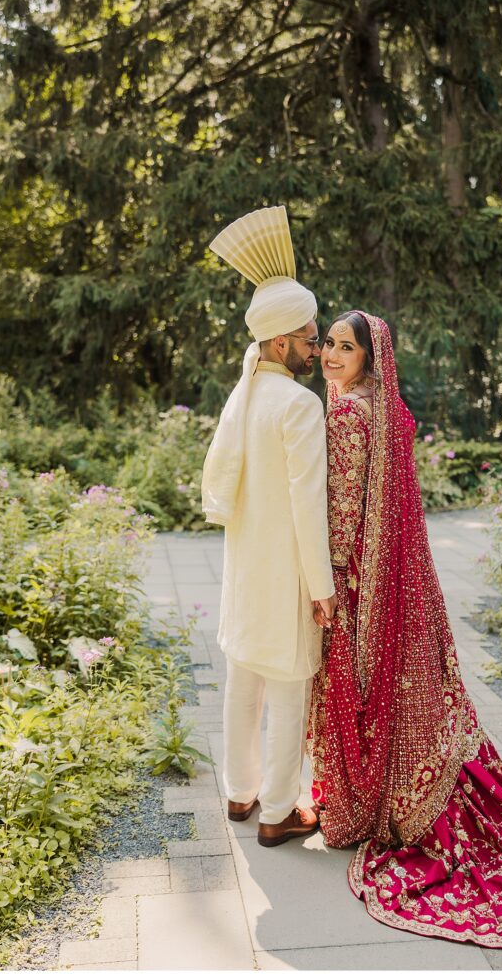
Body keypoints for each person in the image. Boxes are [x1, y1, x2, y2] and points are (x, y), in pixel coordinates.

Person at [308, 309, 502, 945]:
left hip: (362, 576)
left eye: (345, 347)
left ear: (370, 356)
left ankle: (364, 807)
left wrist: (327, 582)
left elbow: (342, 507)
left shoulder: (344, 414)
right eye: (328, 344)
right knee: (404, 690)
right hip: (395, 577)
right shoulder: (385, 406)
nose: (331, 356)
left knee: (360, 686)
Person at [202, 205, 337, 848]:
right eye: (312, 339)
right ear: (281, 341)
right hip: (284, 573)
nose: (319, 349)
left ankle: (239, 793)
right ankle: (280, 811)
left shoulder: (245, 392)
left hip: (242, 569)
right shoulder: (299, 403)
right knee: (287, 692)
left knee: (242, 682)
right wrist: (324, 587)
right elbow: (309, 504)